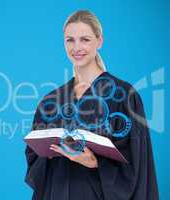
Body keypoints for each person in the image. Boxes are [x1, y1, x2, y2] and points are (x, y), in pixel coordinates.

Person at [24, 10, 159, 200]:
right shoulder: (51, 101)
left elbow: (137, 163)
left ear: (99, 41)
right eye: (70, 40)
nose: (76, 47)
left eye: (85, 39)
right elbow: (34, 161)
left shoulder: (124, 96)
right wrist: (49, 152)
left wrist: (96, 163)